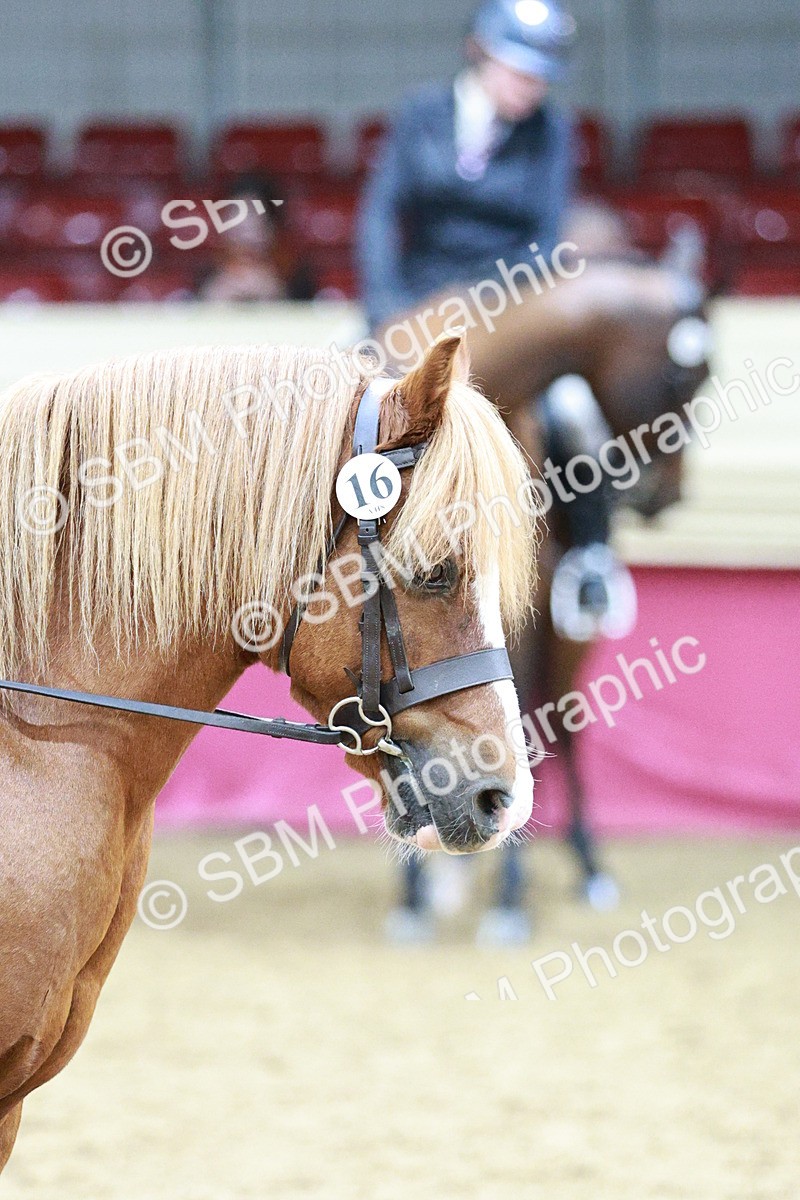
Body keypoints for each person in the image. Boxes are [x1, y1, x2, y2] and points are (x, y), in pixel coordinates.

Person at [356, 0, 577, 330]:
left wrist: (483, 302)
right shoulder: (421, 113)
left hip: (505, 306)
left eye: (540, 78)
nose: (531, 89)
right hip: (419, 298)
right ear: (479, 51)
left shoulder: (550, 131)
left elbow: (546, 238)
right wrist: (385, 303)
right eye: (518, 73)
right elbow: (380, 213)